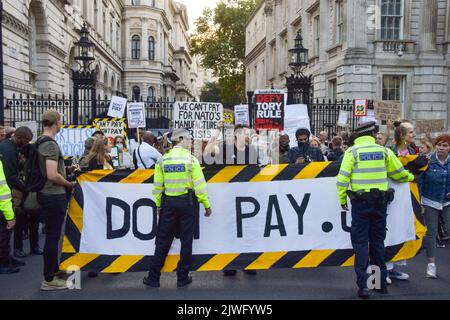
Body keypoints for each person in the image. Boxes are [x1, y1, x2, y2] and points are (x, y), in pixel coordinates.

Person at [336, 121, 415, 298]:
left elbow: (342, 179)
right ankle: (379, 284)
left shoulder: (352, 152)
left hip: (360, 203)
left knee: (361, 244)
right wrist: (411, 177)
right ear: (373, 134)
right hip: (380, 204)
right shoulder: (384, 151)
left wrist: (342, 199)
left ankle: (364, 287)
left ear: (357, 136)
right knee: (378, 244)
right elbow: (399, 174)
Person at [143, 128, 212, 288]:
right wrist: (206, 205)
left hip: (168, 205)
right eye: (188, 140)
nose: (190, 143)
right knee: (186, 241)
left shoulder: (163, 160)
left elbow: (158, 186)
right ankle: (182, 277)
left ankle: (154, 278)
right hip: (188, 204)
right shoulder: (191, 160)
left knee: (162, 241)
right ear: (180, 139)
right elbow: (200, 186)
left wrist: (159, 205)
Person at [37, 110, 75, 290]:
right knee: (53, 237)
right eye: (60, 121)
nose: (61, 124)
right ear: (55, 123)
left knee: (53, 235)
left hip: (49, 194)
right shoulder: (50, 145)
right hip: (53, 194)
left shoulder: (39, 140)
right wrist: (68, 183)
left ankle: (53, 270)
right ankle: (49, 279)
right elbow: (52, 174)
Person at [0, 127, 37, 258]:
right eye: (26, 141)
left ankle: (8, 257)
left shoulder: (8, 147)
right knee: (7, 228)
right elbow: (10, 176)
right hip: (7, 192)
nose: (27, 144)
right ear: (20, 138)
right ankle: (5, 260)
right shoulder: (9, 150)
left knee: (8, 227)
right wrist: (25, 188)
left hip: (8, 191)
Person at [418, 134, 450, 279]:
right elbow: (420, 180)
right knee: (431, 232)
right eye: (439, 145)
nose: (441, 148)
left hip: (447, 201)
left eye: (445, 145)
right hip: (429, 200)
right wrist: (419, 199)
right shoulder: (428, 161)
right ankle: (431, 264)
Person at [0, 158, 21, 274]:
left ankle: (7, 258)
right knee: (3, 235)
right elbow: (2, 192)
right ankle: (3, 263)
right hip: (2, 209)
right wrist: (10, 217)